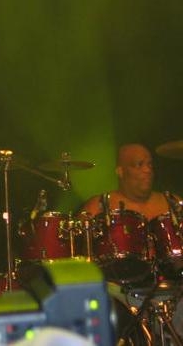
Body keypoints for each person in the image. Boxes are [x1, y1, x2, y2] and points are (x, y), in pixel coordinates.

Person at [78, 143, 183, 344]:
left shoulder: (172, 202)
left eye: (150, 164)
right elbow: (81, 252)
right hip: (119, 291)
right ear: (120, 171)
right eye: (139, 164)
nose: (147, 170)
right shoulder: (99, 206)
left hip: (172, 286)